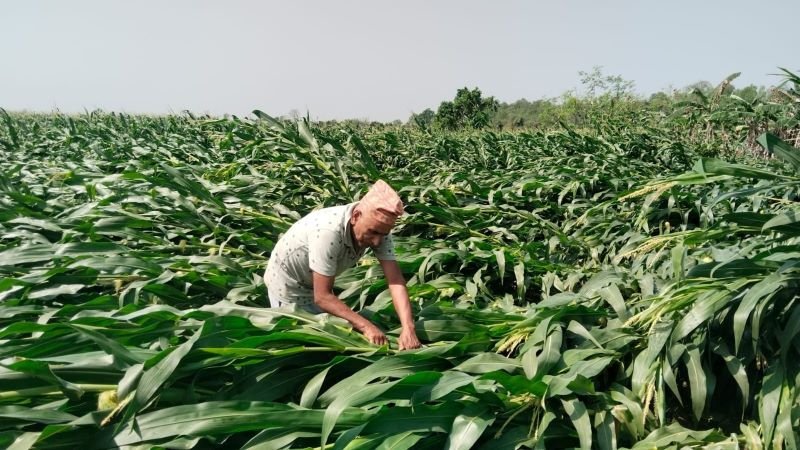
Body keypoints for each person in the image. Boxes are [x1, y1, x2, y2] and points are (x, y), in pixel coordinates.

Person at [264, 180, 421, 350]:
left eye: (383, 234)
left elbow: (395, 280)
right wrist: (366, 326)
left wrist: (408, 328)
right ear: (356, 216)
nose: (377, 241)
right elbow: (322, 297)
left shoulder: (380, 229)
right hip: (289, 287)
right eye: (373, 232)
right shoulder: (328, 233)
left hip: (316, 284)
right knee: (301, 344)